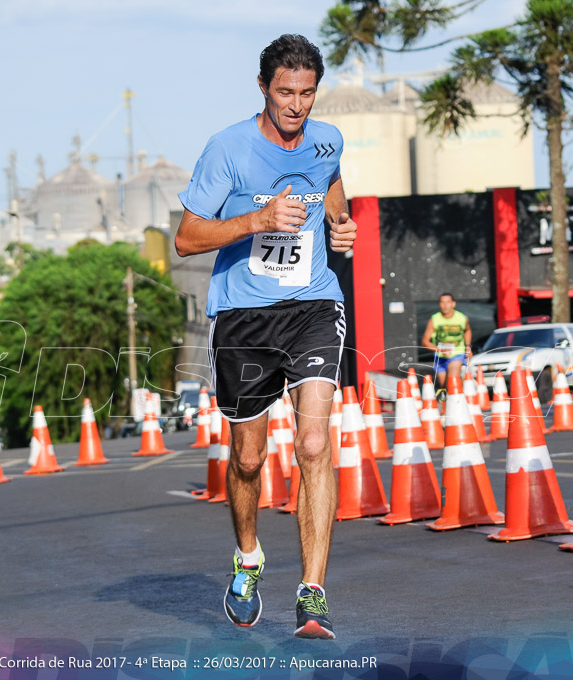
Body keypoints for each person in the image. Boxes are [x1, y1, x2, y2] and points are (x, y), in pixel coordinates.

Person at [174, 34, 356, 639]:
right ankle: (248, 558)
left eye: (306, 93)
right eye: (285, 92)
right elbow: (187, 237)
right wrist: (257, 220)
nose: (296, 105)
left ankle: (312, 593)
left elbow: (331, 183)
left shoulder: (327, 138)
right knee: (249, 458)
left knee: (312, 444)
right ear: (263, 88)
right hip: (244, 316)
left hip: (312, 304)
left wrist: (339, 223)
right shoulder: (226, 149)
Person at [421, 293, 471, 388]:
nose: (445, 305)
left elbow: (467, 330)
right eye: (442, 302)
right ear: (439, 304)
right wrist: (440, 350)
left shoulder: (462, 318)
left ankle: (459, 398)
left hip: (457, 354)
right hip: (440, 357)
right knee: (444, 387)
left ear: (453, 304)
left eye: (448, 302)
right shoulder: (434, 319)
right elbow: (425, 341)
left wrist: (468, 346)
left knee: (451, 381)